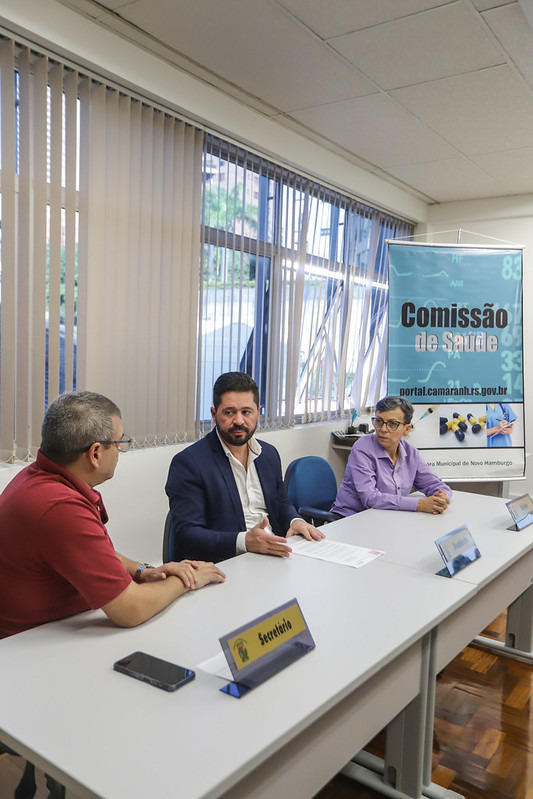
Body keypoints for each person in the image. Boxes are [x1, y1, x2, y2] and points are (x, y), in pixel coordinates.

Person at [0, 391, 225, 639]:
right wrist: (186, 580)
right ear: (95, 453)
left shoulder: (39, 476)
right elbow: (130, 610)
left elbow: (91, 553)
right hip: (31, 645)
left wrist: (142, 571)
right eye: (119, 443)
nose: (120, 451)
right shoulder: (61, 508)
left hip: (53, 629)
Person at [165, 372, 324, 562]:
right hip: (226, 563)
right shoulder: (189, 463)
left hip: (275, 555)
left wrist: (295, 520)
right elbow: (188, 535)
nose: (239, 421)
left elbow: (281, 503)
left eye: (246, 412)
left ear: (258, 412)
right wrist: (244, 542)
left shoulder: (268, 454)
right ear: (214, 414)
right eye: (229, 412)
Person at [331, 395, 452, 517]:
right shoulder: (362, 449)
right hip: (352, 518)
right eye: (379, 421)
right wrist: (419, 504)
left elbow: (435, 485)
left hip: (388, 517)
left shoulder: (411, 453)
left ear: (407, 429)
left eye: (392, 424)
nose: (383, 429)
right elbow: (371, 498)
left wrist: (441, 497)